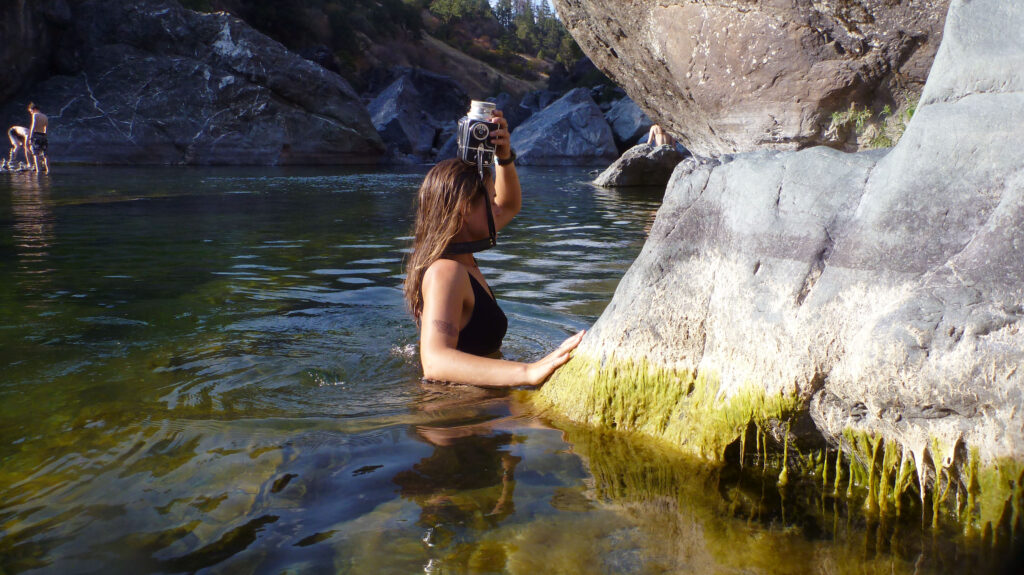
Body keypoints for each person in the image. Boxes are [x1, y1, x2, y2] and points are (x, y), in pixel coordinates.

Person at [404, 108, 584, 388]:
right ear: (465, 209)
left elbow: (510, 205)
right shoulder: (446, 272)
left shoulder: (460, 256)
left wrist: (504, 157)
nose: (496, 207)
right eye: (490, 199)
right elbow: (435, 362)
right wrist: (528, 371)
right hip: (457, 418)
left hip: (475, 403)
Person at [27, 102, 49, 173]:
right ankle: (48, 170)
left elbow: (33, 126)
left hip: (36, 135)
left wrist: (30, 137)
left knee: (35, 154)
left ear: (34, 109)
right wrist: (45, 136)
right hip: (43, 135)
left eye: (31, 111)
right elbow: (46, 128)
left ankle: (38, 170)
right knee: (45, 154)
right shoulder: (45, 116)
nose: (31, 113)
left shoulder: (35, 115)